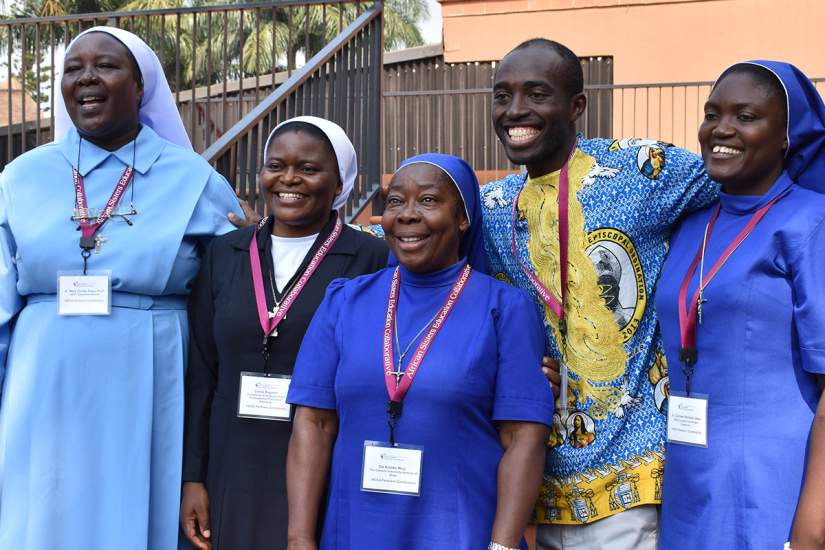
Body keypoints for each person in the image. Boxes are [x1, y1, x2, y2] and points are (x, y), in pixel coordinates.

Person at [0, 27, 242, 549]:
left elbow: (237, 299)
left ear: (141, 86)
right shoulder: (19, 179)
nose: (86, 78)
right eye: (73, 68)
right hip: (41, 390)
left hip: (150, 384)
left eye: (105, 66)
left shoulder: (195, 181)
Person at [480, 39, 718, 548]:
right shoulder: (492, 209)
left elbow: (744, 179)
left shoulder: (643, 171)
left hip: (630, 477)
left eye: (536, 94)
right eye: (502, 96)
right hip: (538, 482)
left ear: (577, 105)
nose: (515, 110)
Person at [285, 153, 553, 550]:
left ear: (463, 218)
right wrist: (299, 539)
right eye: (395, 201)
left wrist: (503, 545)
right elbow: (314, 423)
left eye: (428, 200)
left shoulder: (504, 308)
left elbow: (523, 437)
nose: (408, 215)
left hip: (459, 532)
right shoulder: (345, 301)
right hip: (356, 528)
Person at [180, 116, 388, 549]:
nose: (288, 179)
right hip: (232, 460)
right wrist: (192, 477)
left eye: (308, 169)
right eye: (276, 165)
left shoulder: (371, 258)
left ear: (339, 183)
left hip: (323, 458)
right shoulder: (225, 254)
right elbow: (201, 374)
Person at [655, 61, 825, 550]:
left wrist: (812, 531)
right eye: (713, 113)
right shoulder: (692, 225)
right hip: (690, 476)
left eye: (746, 116)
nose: (721, 129)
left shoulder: (810, 224)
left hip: (773, 488)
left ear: (786, 138)